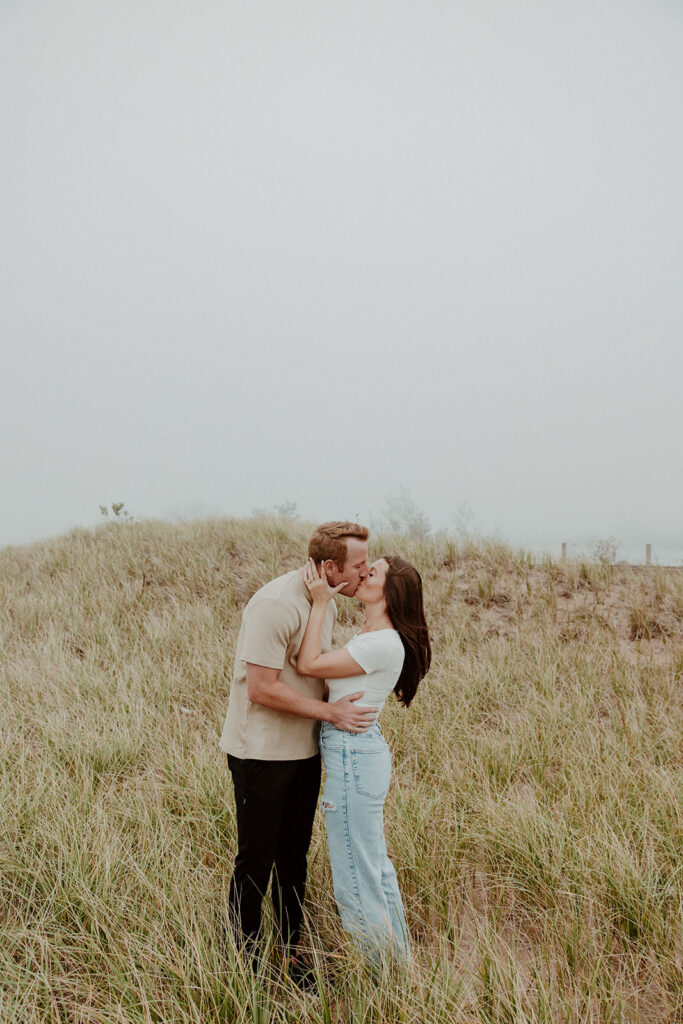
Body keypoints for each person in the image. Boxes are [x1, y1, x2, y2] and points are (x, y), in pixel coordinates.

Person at [219, 521, 378, 986]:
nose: (365, 572)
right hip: (260, 753)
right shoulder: (275, 604)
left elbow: (312, 671)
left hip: (304, 751)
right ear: (329, 567)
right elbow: (261, 689)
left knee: (294, 858)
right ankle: (244, 965)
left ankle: (292, 955)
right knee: (256, 860)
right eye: (359, 565)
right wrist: (332, 713)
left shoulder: (326, 601)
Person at [297, 553, 431, 965]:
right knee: (373, 869)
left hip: (353, 756)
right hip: (357, 752)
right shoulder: (372, 635)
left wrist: (320, 603)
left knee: (355, 879)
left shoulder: (380, 642)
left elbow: (309, 664)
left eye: (372, 573)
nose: (362, 574)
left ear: (390, 592)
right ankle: (399, 971)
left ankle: (379, 982)